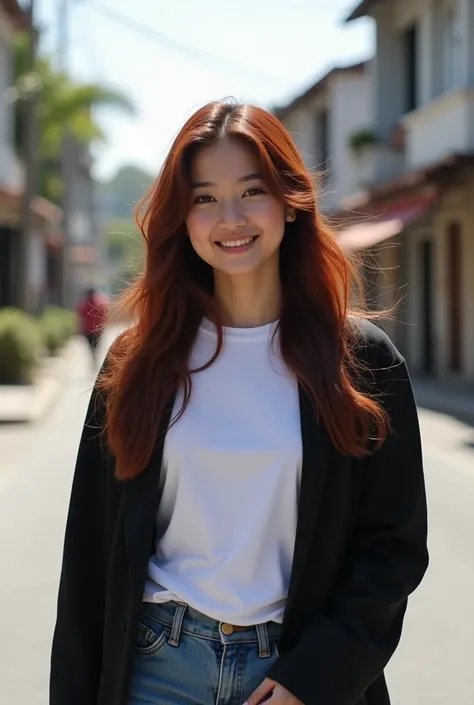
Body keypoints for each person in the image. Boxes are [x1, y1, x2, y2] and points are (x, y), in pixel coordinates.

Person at [50, 101, 428, 705]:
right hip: (156, 668)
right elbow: (89, 559)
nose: (230, 218)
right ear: (182, 216)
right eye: (204, 198)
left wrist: (314, 680)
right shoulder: (137, 362)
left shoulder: (361, 361)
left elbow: (392, 548)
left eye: (252, 191)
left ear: (288, 199)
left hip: (296, 671)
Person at [77, 287, 108, 365]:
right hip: (98, 329)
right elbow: (105, 315)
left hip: (88, 330)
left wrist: (79, 328)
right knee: (96, 344)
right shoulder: (100, 303)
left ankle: (94, 356)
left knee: (91, 345)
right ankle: (95, 356)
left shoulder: (84, 304)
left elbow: (80, 318)